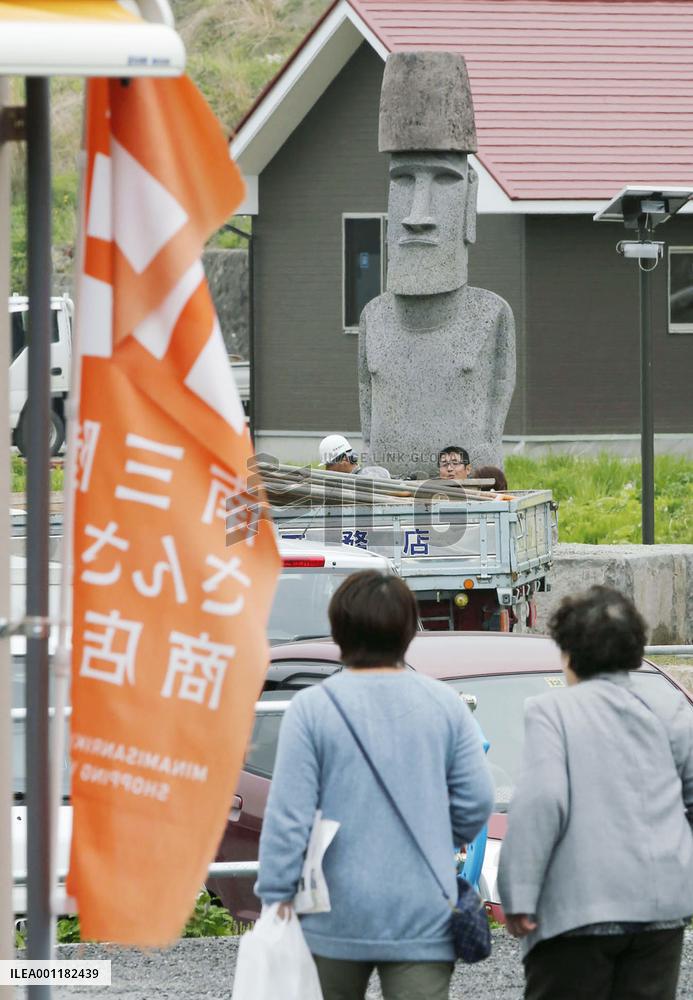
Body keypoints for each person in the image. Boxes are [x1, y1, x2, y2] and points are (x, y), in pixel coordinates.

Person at [255, 570, 495, 1000]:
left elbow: (289, 814)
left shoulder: (312, 709)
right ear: (408, 630)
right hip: (421, 907)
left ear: (339, 630)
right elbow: (476, 799)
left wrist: (277, 892)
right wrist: (438, 836)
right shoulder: (445, 705)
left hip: (332, 912)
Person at [498, 585, 693, 1000]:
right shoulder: (671, 709)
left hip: (576, 910)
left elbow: (541, 803)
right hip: (659, 911)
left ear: (568, 654)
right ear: (635, 649)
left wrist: (519, 893)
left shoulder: (552, 712)